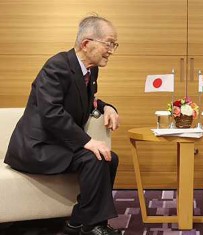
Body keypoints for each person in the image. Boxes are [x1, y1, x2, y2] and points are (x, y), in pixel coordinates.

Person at [4, 15, 122, 235]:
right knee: (95, 157)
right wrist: (87, 142)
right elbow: (51, 112)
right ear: (87, 44)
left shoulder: (89, 70)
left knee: (110, 158)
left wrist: (108, 107)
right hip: (37, 147)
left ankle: (80, 222)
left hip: (58, 144)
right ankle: (91, 227)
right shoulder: (56, 66)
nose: (111, 50)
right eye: (108, 43)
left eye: (114, 44)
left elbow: (88, 100)